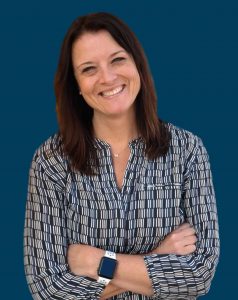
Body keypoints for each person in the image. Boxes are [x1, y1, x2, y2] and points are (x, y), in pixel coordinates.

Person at [24, 12, 220, 300]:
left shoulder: (187, 150)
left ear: (137, 64)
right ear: (75, 85)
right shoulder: (50, 161)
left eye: (117, 60)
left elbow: (200, 275)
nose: (107, 77)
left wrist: (96, 262)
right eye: (89, 69)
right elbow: (48, 289)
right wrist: (159, 254)